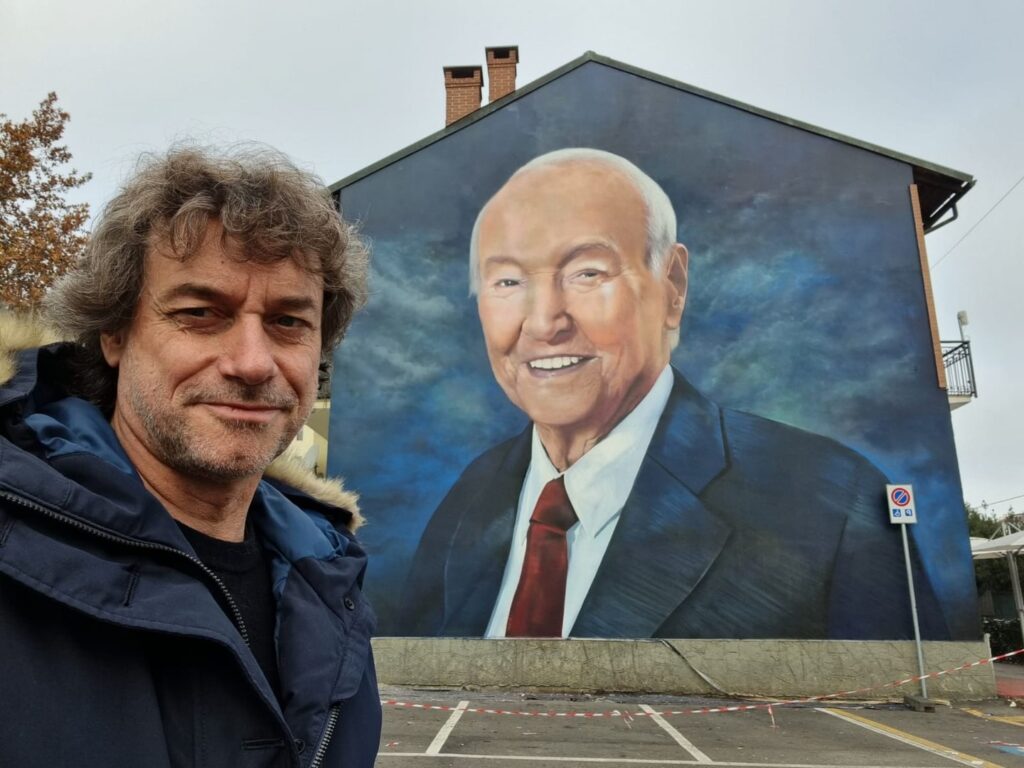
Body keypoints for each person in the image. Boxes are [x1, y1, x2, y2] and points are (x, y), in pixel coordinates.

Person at [403, 147, 947, 641]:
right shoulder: (468, 502)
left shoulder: (832, 506)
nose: (544, 321)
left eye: (587, 272)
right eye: (507, 282)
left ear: (673, 286)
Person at [0, 146, 380, 767]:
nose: (254, 363)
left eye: (288, 321)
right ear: (115, 334)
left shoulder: (329, 580)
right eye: (201, 313)